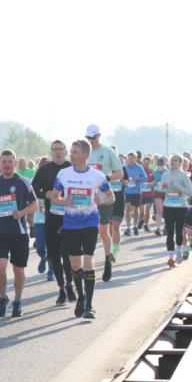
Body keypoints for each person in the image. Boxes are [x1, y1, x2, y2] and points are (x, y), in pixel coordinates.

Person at [52, 139, 114, 319]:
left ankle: (89, 305)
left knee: (88, 261)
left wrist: (101, 200)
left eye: (75, 152)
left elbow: (111, 197)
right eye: (71, 152)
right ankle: (81, 296)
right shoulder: (63, 174)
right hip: (70, 224)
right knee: (75, 264)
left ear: (86, 155)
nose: (71, 155)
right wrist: (64, 201)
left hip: (89, 223)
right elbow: (55, 197)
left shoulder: (97, 176)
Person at [0, 150, 38, 318]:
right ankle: (3, 297)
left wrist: (21, 213)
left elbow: (35, 204)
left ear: (15, 163)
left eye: (10, 161)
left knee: (18, 270)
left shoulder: (22, 182)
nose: (7, 164)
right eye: (4, 162)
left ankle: (17, 301)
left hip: (19, 233)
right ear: (0, 164)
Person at [32, 140, 76, 305]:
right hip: (52, 218)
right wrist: (46, 195)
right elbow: (34, 189)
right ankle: (61, 288)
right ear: (51, 152)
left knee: (68, 255)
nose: (57, 152)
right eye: (54, 149)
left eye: (60, 149)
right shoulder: (44, 170)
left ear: (66, 152)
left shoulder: (72, 168)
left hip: (71, 217)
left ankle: (70, 284)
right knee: (54, 255)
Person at [85, 125, 124, 282]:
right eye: (88, 138)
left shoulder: (107, 152)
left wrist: (106, 178)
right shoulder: (83, 152)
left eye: (93, 138)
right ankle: (87, 266)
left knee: (102, 231)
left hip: (105, 197)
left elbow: (120, 173)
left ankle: (108, 259)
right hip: (86, 199)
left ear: (99, 136)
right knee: (88, 232)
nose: (90, 141)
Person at [161, 154, 192, 267]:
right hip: (168, 206)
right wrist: (162, 187)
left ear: (180, 163)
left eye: (175, 160)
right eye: (171, 160)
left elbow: (190, 192)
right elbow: (161, 188)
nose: (172, 162)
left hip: (181, 207)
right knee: (170, 231)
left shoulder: (184, 176)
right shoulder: (165, 174)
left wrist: (177, 186)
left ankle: (179, 249)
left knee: (179, 231)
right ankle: (171, 257)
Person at [122, 152, 146, 237]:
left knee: (136, 210)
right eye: (129, 158)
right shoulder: (124, 167)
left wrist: (139, 178)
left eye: (132, 158)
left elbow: (145, 178)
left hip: (137, 192)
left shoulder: (139, 168)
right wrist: (123, 181)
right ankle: (128, 228)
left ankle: (135, 226)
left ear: (136, 159)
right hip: (127, 191)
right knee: (127, 209)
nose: (130, 160)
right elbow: (121, 178)